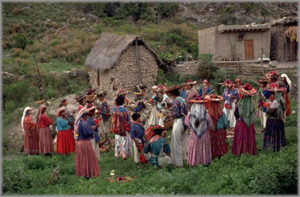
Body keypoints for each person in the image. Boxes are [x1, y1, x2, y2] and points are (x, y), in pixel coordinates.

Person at [231, 83, 257, 156]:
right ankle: (250, 151)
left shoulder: (240, 103)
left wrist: (237, 118)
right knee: (249, 136)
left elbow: (236, 113)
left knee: (241, 137)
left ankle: (241, 151)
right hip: (250, 124)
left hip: (241, 124)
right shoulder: (252, 103)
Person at [166, 85, 188, 167]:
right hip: (184, 121)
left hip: (178, 121)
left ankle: (178, 163)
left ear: (172, 94)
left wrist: (169, 115)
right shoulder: (182, 99)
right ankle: (184, 158)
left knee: (176, 143)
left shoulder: (175, 101)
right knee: (183, 141)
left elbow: (176, 113)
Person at [187, 96, 213, 166]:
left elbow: (187, 124)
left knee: (195, 147)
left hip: (194, 135)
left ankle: (194, 162)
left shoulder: (190, 115)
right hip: (204, 134)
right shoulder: (206, 115)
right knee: (204, 147)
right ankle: (204, 161)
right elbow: (210, 124)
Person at [74, 108, 99, 178]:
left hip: (79, 142)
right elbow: (87, 133)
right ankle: (87, 173)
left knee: (82, 158)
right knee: (87, 158)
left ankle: (83, 172)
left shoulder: (78, 123)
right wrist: (92, 131)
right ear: (85, 116)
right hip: (85, 142)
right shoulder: (84, 124)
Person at [207, 95, 228, 159]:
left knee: (212, 144)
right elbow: (225, 123)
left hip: (211, 131)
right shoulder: (221, 112)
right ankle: (220, 156)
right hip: (220, 131)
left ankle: (212, 156)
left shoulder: (208, 113)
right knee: (219, 144)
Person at [111, 95, 132, 160]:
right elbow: (128, 119)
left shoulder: (114, 109)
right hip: (123, 128)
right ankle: (124, 155)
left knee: (117, 140)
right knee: (124, 141)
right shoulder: (125, 110)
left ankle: (117, 154)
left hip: (116, 127)